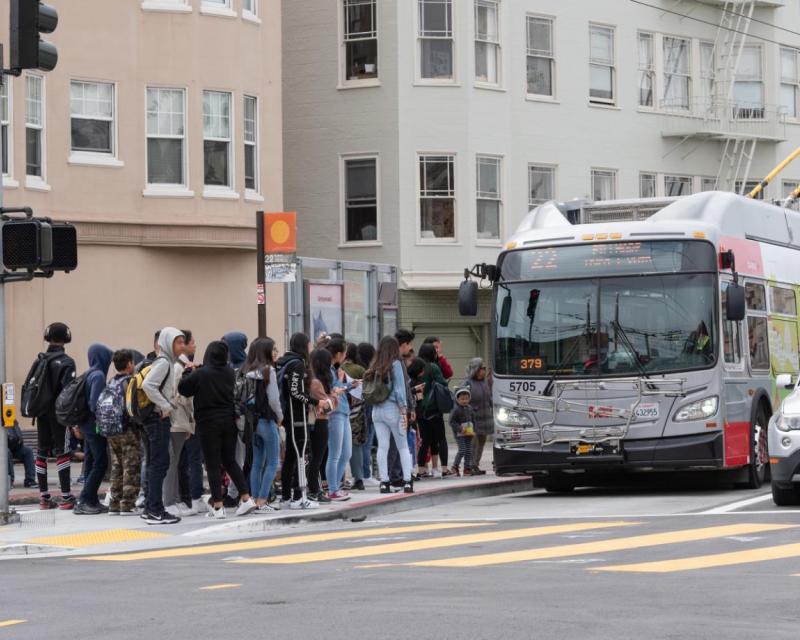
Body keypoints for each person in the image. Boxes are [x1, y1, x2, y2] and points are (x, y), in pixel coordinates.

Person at [178, 340, 256, 519]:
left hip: (208, 423)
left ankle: (218, 507)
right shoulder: (230, 372)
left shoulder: (202, 373)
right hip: (229, 422)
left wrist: (189, 371)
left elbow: (184, 389)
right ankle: (246, 497)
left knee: (212, 464)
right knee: (230, 461)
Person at [276, 333, 327, 509]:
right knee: (302, 453)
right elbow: (295, 392)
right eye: (308, 344)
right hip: (296, 417)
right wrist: (315, 401)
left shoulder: (284, 362)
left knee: (291, 455)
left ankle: (286, 496)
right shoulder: (297, 364)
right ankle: (299, 496)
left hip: (289, 417)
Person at [30, 322, 77, 510]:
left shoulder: (39, 360)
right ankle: (66, 497)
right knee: (63, 452)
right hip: (59, 414)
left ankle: (44, 497)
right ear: (66, 338)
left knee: (41, 452)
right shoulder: (67, 362)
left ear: (48, 337)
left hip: (41, 413)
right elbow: (68, 392)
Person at [141, 327, 185, 525]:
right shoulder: (164, 363)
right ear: (167, 343)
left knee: (155, 463)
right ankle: (155, 510)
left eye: (183, 342)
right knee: (159, 464)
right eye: (178, 342)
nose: (182, 346)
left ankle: (151, 507)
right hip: (158, 419)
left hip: (155, 419)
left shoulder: (165, 362)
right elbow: (148, 385)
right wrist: (165, 405)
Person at [241, 338, 284, 513]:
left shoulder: (246, 371)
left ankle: (254, 499)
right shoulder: (268, 371)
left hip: (251, 422)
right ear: (265, 351)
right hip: (267, 420)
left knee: (257, 463)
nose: (276, 353)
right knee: (273, 462)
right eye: (273, 349)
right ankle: (263, 500)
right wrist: (280, 417)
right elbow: (273, 400)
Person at [367, 336, 413, 494]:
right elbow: (400, 389)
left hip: (376, 410)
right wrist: (404, 410)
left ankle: (384, 482)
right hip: (393, 409)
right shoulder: (396, 364)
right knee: (403, 446)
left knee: (383, 446)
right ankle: (407, 481)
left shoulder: (375, 365)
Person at [74, 343, 113, 515]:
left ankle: (91, 499)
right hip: (94, 426)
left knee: (91, 461)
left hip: (86, 425)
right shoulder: (98, 376)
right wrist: (102, 422)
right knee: (101, 462)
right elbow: (94, 403)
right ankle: (84, 499)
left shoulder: (88, 373)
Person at [164, 330, 197, 518]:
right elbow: (179, 396)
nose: (183, 345)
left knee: (175, 462)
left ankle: (173, 500)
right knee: (173, 462)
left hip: (179, 420)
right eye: (180, 342)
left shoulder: (179, 366)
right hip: (177, 419)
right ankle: (170, 502)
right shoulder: (177, 367)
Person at [105, 350, 142, 515]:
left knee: (117, 466)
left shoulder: (111, 382)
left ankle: (114, 503)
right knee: (131, 466)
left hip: (111, 430)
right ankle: (127, 504)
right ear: (129, 364)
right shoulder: (130, 382)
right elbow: (133, 408)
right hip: (127, 429)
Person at [324, 338, 356, 501]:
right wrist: (344, 382)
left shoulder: (334, 369)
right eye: (344, 353)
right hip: (335, 413)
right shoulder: (328, 370)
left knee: (346, 453)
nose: (345, 357)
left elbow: (338, 389)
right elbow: (333, 390)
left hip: (343, 412)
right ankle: (332, 489)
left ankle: (335, 487)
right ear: (338, 354)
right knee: (335, 453)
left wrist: (350, 385)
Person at [222, 331, 250, 506]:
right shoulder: (226, 365)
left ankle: (236, 492)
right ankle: (233, 490)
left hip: (242, 419)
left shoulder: (247, 367)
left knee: (240, 456)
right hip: (227, 418)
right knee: (231, 457)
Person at [307, 348, 338, 502]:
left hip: (314, 422)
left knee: (314, 458)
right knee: (316, 458)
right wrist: (334, 395)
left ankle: (312, 488)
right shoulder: (316, 383)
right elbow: (327, 407)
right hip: (319, 422)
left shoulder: (311, 380)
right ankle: (314, 490)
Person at [416, 343, 449, 478]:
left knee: (425, 440)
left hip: (419, 409)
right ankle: (444, 469)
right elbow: (443, 383)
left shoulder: (416, 366)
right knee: (441, 438)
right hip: (433, 409)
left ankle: (421, 470)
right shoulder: (433, 367)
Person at [343, 343, 367, 491]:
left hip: (342, 410)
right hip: (358, 412)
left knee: (339, 447)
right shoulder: (360, 370)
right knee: (357, 445)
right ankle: (359, 478)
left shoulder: (339, 369)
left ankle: (340, 478)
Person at [463, 357, 493, 475]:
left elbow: (489, 398)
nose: (484, 370)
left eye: (485, 368)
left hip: (484, 418)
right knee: (472, 443)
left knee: (481, 442)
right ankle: (469, 466)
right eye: (482, 368)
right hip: (471, 420)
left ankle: (475, 465)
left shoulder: (484, 383)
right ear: (475, 369)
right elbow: (461, 399)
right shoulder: (467, 383)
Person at [355, 342, 379, 487]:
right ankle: (366, 474)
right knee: (367, 443)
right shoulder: (367, 371)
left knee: (362, 444)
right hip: (368, 411)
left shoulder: (360, 369)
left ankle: (363, 474)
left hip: (359, 412)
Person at [449, 387, 474, 476]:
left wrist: (474, 430)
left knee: (468, 451)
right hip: (460, 434)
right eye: (462, 399)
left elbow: (473, 420)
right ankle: (455, 467)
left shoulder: (470, 408)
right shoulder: (456, 409)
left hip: (469, 433)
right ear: (457, 399)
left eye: (466, 399)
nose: (465, 401)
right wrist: (460, 428)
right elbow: (451, 422)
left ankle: (467, 468)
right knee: (462, 450)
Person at [7, 421, 35, 488]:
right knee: (6, 452)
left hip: (14, 447)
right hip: (3, 449)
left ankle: (30, 480)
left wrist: (19, 441)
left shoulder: (11, 419)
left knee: (28, 451)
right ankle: (9, 481)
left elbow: (18, 434)